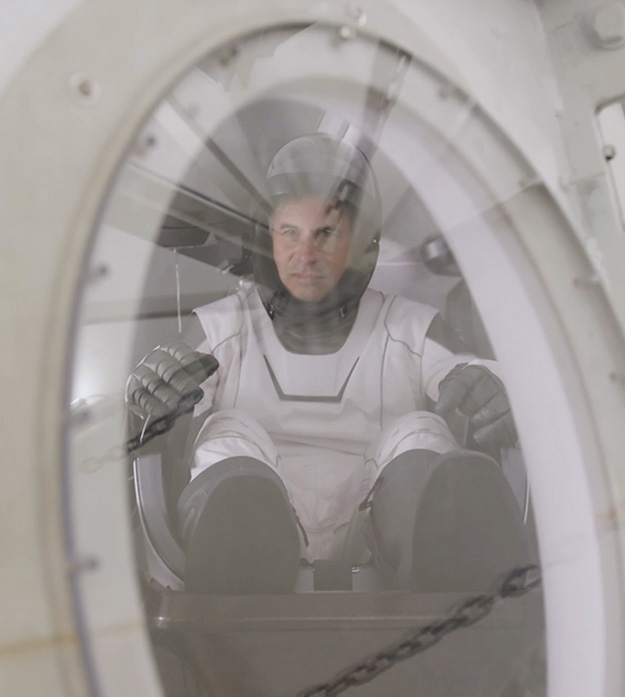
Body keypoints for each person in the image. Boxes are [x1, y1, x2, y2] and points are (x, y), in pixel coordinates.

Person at [126, 134, 529, 594]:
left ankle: (461, 613)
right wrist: (152, 400)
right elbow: (159, 432)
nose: (306, 255)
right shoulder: (219, 329)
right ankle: (239, 606)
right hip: (252, 541)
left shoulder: (413, 327)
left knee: (423, 433)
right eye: (289, 233)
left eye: (326, 234)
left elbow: (475, 378)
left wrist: (496, 395)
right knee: (226, 435)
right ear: (266, 241)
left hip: (395, 542)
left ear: (361, 246)